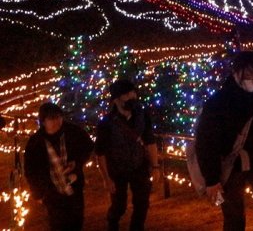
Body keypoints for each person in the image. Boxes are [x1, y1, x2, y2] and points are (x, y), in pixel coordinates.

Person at [195, 51, 253, 231]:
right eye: (247, 74)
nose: (252, 79)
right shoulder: (218, 103)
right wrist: (212, 179)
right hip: (231, 166)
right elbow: (206, 142)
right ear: (236, 73)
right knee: (233, 216)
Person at [95, 79, 160, 231]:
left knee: (142, 203)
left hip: (139, 166)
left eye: (133, 93)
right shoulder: (107, 123)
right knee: (119, 205)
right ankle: (113, 223)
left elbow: (150, 141)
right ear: (117, 99)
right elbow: (100, 152)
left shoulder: (142, 115)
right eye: (127, 94)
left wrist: (155, 166)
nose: (132, 97)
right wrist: (106, 178)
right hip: (117, 169)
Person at [24, 102, 94, 231]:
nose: (56, 121)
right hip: (52, 192)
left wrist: (77, 163)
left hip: (74, 188)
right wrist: (38, 193)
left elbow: (88, 147)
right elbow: (30, 170)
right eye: (51, 118)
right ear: (43, 122)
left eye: (58, 117)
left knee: (76, 222)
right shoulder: (36, 142)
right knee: (58, 225)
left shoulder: (72, 131)